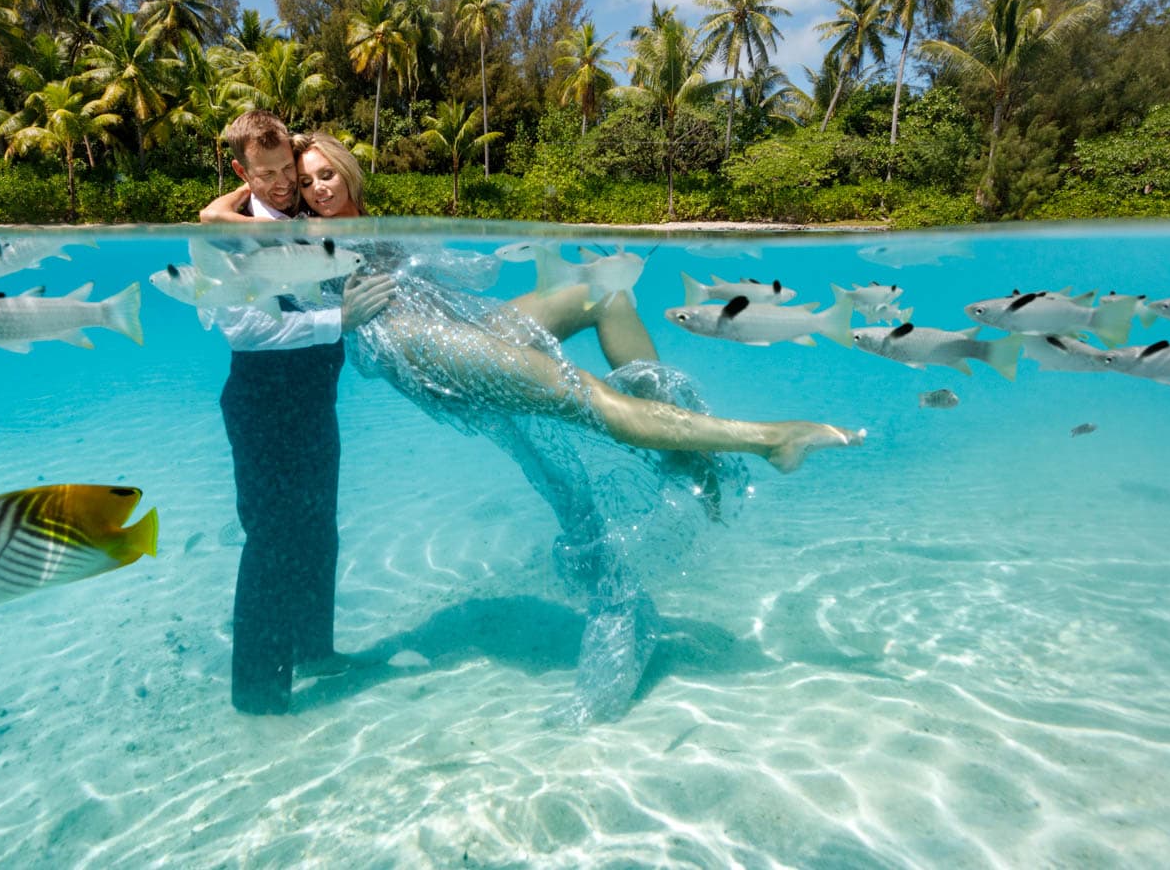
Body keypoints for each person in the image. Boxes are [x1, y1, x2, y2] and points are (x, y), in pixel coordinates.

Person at [204, 131, 865, 723]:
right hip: (423, 345)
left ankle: (681, 443)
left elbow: (457, 266)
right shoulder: (299, 237)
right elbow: (230, 232)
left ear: (348, 172)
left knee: (604, 293)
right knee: (596, 403)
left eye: (324, 173)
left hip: (462, 320)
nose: (314, 187)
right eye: (304, 176)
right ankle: (771, 436)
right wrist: (236, 200)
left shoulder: (372, 226)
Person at [200, 111, 392, 715]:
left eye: (289, 169)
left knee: (318, 531)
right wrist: (340, 321)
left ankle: (315, 652)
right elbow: (245, 330)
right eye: (267, 174)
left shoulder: (309, 217)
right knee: (272, 539)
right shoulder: (217, 237)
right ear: (241, 171)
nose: (284, 184)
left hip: (315, 399)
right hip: (260, 405)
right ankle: (258, 695)